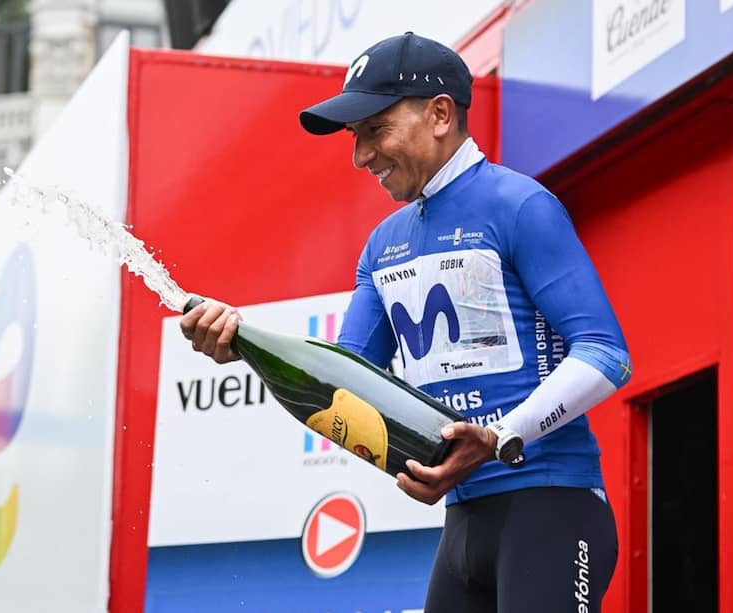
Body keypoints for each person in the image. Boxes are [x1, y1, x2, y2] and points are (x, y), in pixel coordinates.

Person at [181, 32, 632, 613]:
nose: (360, 156)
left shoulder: (520, 205)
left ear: (440, 114)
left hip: (551, 506)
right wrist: (238, 342)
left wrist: (500, 438)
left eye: (374, 130)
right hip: (462, 524)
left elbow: (604, 353)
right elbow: (340, 383)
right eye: (354, 138)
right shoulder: (382, 244)